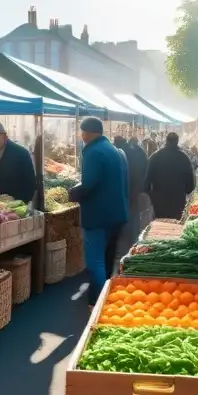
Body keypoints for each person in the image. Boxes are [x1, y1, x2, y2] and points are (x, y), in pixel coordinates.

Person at [69, 117, 128, 307]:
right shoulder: (112, 149)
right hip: (115, 213)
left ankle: (99, 303)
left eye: (82, 132)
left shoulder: (93, 152)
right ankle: (103, 297)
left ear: (87, 132)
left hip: (98, 215)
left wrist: (73, 194)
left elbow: (89, 184)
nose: (81, 136)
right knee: (106, 257)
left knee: (95, 262)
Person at [0, 120, 37, 203]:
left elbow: (30, 183)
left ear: (5, 136)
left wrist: (21, 203)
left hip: (16, 206)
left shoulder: (21, 153)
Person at [145, 132, 195, 220]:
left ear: (166, 141)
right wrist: (186, 191)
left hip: (159, 199)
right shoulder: (184, 157)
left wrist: (151, 195)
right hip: (177, 200)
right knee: (175, 227)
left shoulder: (155, 156)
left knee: (159, 226)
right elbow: (190, 183)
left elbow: (147, 181)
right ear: (177, 142)